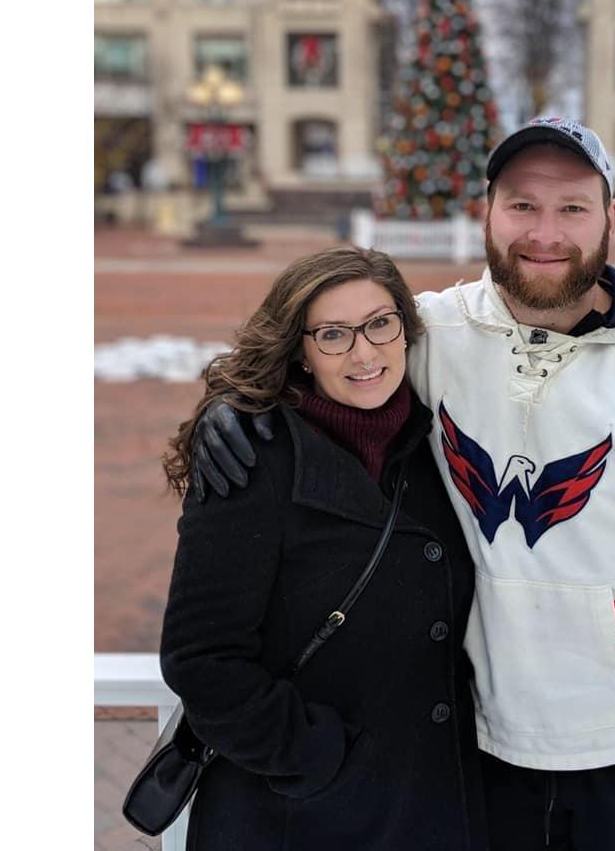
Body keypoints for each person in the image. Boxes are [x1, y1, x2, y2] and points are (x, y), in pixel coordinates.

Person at [192, 117, 615, 851]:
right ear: (486, 213)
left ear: (610, 219)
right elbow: (327, 358)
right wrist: (237, 406)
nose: (545, 232)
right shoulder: (432, 335)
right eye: (522, 205)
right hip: (473, 748)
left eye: (572, 208)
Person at [158, 247, 488, 851]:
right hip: (298, 814)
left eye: (380, 324)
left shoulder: (438, 448)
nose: (364, 353)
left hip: (430, 802)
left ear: (406, 331)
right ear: (301, 352)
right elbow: (200, 659)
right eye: (333, 335)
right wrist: (316, 756)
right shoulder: (251, 462)